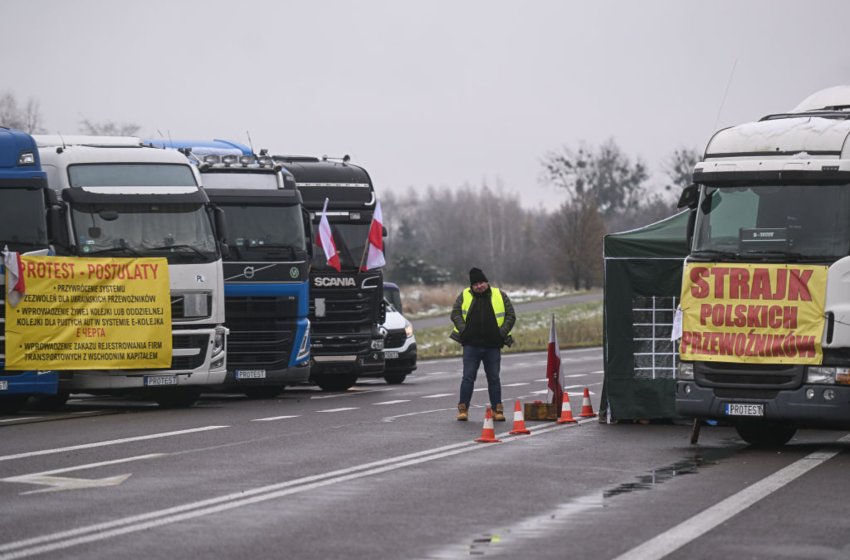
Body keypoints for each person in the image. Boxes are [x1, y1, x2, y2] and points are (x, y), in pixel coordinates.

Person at [450, 267, 516, 421]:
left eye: (481, 283)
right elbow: (455, 313)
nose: (479, 286)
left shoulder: (499, 295)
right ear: (471, 286)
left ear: (486, 282)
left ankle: (497, 410)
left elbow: (511, 315)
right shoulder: (464, 295)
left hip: (492, 345)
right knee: (468, 378)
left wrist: (501, 333)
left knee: (494, 378)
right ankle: (463, 409)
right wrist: (464, 330)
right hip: (471, 345)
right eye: (475, 284)